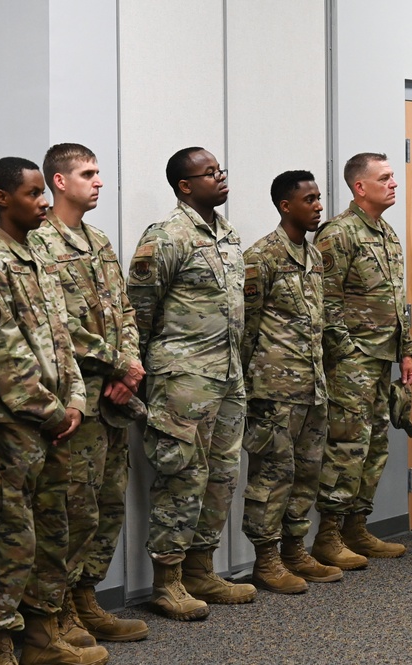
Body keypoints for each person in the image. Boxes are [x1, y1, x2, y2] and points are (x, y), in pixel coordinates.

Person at [0, 158, 109, 665]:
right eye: (32, 194)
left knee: (55, 531)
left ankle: (44, 635)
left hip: (58, 422)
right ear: (4, 199)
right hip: (11, 428)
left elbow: (64, 342)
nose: (44, 201)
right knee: (11, 541)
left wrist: (74, 401)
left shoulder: (40, 257)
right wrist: (51, 411)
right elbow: (4, 356)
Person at [126, 147, 254, 619]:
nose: (220, 178)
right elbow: (138, 313)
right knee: (181, 477)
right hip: (183, 378)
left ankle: (202, 570)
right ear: (185, 186)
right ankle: (168, 582)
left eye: (221, 169)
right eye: (209, 173)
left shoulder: (227, 235)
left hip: (227, 375)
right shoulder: (166, 237)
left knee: (221, 477)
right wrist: (141, 373)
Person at [28, 144, 149, 643]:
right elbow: (58, 325)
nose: (99, 181)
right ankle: (54, 612)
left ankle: (85, 599)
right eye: (88, 173)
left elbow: (124, 311)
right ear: (59, 181)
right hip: (72, 399)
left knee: (107, 505)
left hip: (114, 397)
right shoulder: (40, 242)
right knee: (70, 510)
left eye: (99, 173)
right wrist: (119, 363)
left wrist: (130, 367)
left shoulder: (97, 239)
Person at [311, 152, 412, 568]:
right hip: (352, 361)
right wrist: (346, 351)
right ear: (360, 187)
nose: (394, 183)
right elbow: (325, 301)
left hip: (382, 356)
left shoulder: (386, 233)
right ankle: (328, 535)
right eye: (386, 177)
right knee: (346, 447)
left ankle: (357, 527)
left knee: (374, 445)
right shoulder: (339, 234)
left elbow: (396, 300)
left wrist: (405, 351)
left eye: (393, 177)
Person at [240, 170, 342, 592]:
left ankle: (294, 549)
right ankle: (266, 559)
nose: (319, 205)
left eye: (319, 198)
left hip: (312, 385)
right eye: (310, 199)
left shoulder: (314, 256)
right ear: (286, 206)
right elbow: (245, 326)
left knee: (307, 471)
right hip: (274, 390)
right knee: (272, 474)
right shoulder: (261, 257)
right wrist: (247, 389)